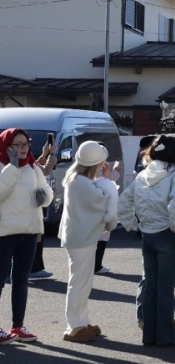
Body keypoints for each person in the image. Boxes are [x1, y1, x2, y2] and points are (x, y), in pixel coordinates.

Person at [118, 135, 175, 347]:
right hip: (168, 234)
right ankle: (166, 336)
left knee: (150, 287)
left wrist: (134, 225)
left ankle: (149, 335)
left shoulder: (142, 175)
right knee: (165, 289)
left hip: (147, 235)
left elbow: (123, 203)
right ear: (174, 153)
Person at [59, 141, 118, 343]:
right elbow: (104, 201)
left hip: (78, 236)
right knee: (79, 283)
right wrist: (108, 179)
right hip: (81, 237)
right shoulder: (82, 182)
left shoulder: (75, 177)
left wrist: (105, 178)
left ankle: (81, 323)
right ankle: (75, 326)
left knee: (81, 282)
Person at [0, 128, 54, 345]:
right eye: (17, 144)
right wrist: (12, 167)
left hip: (30, 230)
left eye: (25, 144)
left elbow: (46, 193)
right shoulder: (3, 166)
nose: (22, 148)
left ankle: (18, 325)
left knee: (21, 281)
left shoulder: (32, 166)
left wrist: (45, 197)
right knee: (0, 280)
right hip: (4, 232)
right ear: (6, 146)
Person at [29, 138, 58, 280]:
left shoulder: (14, 161)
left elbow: (36, 166)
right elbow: (45, 170)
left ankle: (35, 268)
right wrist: (52, 154)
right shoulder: (24, 162)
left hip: (28, 208)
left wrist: (44, 154)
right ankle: (35, 269)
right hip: (30, 208)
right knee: (35, 238)